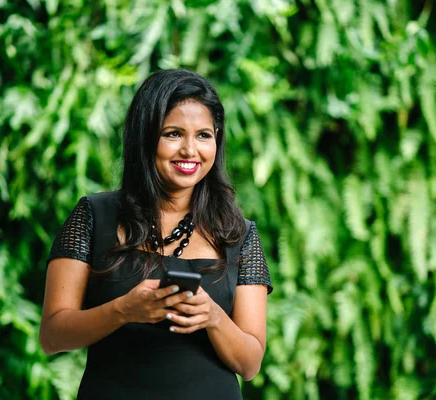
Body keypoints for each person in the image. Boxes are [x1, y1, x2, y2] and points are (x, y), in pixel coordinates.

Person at [39, 69, 273, 400]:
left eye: (204, 135)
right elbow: (52, 336)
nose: (190, 150)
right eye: (173, 134)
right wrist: (123, 310)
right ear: (145, 138)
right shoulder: (93, 215)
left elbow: (249, 365)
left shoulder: (238, 234)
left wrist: (213, 317)